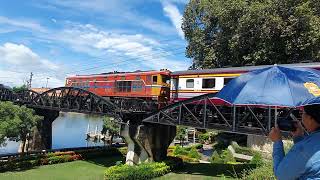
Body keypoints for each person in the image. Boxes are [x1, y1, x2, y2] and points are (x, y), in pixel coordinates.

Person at [269, 104, 320, 179]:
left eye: (302, 113)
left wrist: (277, 142)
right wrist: (298, 138)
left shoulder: (304, 148)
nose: (301, 117)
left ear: (310, 118)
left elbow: (281, 175)